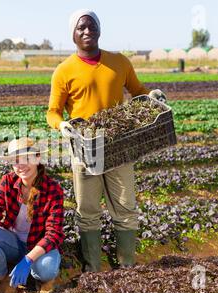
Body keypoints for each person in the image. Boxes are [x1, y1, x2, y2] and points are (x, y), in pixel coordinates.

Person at [46, 9, 167, 271]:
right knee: (87, 209)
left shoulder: (119, 62)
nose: (87, 31)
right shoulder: (64, 70)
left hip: (119, 143)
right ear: (73, 34)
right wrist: (62, 124)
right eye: (81, 28)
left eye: (91, 26)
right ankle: (92, 268)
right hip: (85, 147)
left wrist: (153, 94)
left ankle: (126, 266)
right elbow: (53, 111)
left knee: (125, 206)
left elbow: (138, 91)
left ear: (99, 30)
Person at [0, 137, 64, 293]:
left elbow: (54, 233)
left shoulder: (52, 189)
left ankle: (39, 278)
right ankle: (3, 278)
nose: (21, 165)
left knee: (47, 269)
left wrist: (28, 260)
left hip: (38, 245)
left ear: (37, 158)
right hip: (14, 243)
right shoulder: (8, 181)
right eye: (16, 161)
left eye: (26, 158)